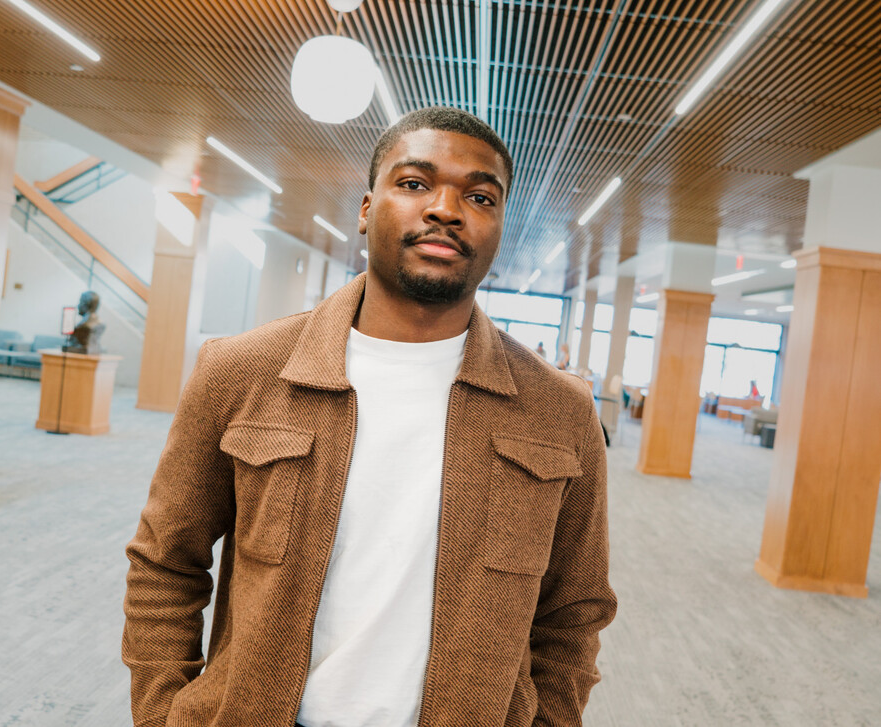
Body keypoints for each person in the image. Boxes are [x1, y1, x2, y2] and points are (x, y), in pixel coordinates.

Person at [122, 106, 616, 727]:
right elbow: (166, 560)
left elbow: (574, 612)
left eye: (481, 196)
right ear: (365, 209)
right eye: (414, 184)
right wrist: (162, 711)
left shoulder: (559, 412)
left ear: (497, 227)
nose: (445, 208)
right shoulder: (242, 371)